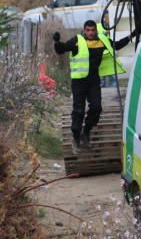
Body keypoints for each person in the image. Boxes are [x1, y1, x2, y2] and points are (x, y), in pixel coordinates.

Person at [53, 19, 133, 153]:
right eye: (88, 30)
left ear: (96, 30)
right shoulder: (77, 41)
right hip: (79, 81)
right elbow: (62, 49)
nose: (90, 33)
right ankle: (76, 139)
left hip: (93, 80)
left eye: (93, 30)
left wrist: (133, 35)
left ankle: (86, 132)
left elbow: (117, 45)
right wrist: (56, 42)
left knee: (96, 108)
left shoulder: (102, 40)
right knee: (78, 110)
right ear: (84, 30)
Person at [97, 12, 127, 88]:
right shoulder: (100, 27)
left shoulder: (107, 27)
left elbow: (114, 44)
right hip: (103, 59)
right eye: (108, 17)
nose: (110, 19)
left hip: (107, 58)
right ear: (105, 18)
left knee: (110, 81)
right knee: (104, 81)